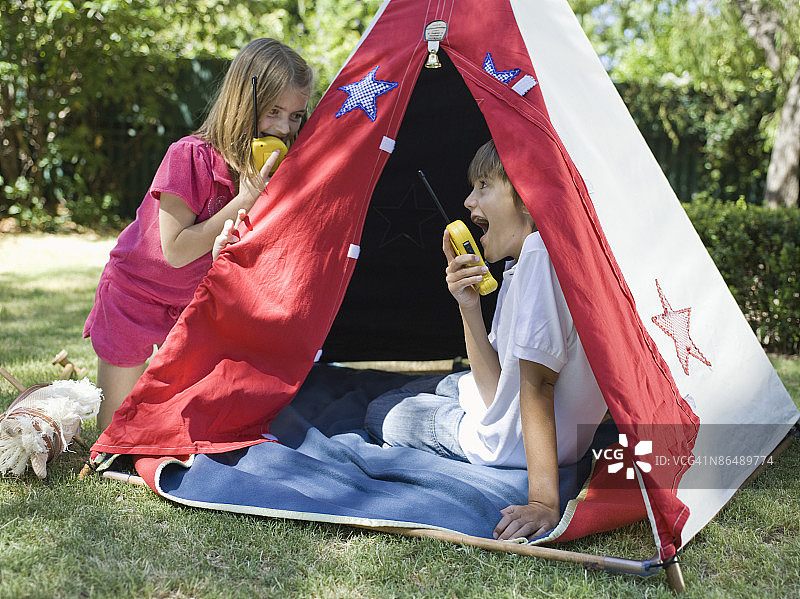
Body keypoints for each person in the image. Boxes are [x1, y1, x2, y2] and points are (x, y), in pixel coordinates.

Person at [364, 140, 608, 542]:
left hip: (508, 445)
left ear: (527, 197)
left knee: (384, 407)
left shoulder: (539, 257)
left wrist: (544, 503)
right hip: (540, 429)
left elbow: (538, 384)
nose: (467, 201)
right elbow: (497, 386)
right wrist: (468, 305)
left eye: (483, 185)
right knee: (429, 386)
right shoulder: (539, 258)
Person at [84, 38, 312, 430]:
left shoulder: (275, 170)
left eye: (295, 116)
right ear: (244, 102)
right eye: (273, 111)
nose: (283, 127)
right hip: (134, 296)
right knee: (112, 432)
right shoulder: (189, 156)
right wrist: (245, 199)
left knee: (177, 427)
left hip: (193, 307)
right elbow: (174, 250)